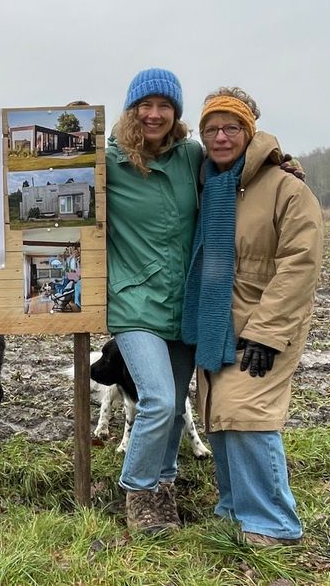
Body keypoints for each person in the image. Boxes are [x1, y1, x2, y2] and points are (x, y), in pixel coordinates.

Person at [180, 87, 324, 546]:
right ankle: (234, 508)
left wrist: (267, 331)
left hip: (266, 324)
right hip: (217, 319)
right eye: (211, 129)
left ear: (249, 131)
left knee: (248, 415)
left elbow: (300, 263)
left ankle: (274, 524)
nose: (221, 137)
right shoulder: (208, 182)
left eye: (232, 127)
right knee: (220, 414)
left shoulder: (287, 188)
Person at [105, 68, 203, 533]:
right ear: (132, 109)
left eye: (165, 106)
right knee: (160, 400)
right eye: (146, 105)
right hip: (133, 301)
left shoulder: (191, 157)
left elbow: (240, 167)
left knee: (178, 405)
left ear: (176, 114)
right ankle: (138, 491)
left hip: (183, 303)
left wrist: (280, 163)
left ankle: (164, 485)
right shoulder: (108, 161)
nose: (155, 114)